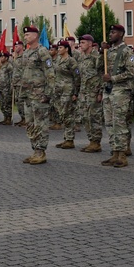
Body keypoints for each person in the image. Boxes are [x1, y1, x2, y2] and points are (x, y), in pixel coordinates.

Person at [101, 24, 134, 167]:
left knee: (119, 123)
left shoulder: (127, 52)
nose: (110, 34)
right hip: (109, 91)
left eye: (113, 32)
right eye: (110, 32)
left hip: (121, 91)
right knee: (109, 124)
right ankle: (114, 152)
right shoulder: (108, 51)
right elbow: (100, 67)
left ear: (121, 34)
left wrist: (113, 78)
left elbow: (132, 72)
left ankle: (122, 154)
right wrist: (101, 51)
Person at [18, 26, 53, 164]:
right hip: (28, 95)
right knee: (30, 124)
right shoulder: (26, 52)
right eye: (24, 35)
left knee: (41, 124)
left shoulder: (42, 51)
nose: (25, 37)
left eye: (27, 34)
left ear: (35, 36)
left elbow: (50, 74)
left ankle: (41, 151)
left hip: (39, 94)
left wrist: (48, 94)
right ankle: (35, 150)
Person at [52, 40, 80, 148]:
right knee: (62, 114)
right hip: (59, 91)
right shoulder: (58, 60)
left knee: (67, 114)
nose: (59, 50)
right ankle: (66, 138)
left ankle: (70, 139)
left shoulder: (71, 61)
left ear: (66, 49)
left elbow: (77, 77)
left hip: (68, 90)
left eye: (61, 48)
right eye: (58, 48)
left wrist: (75, 92)